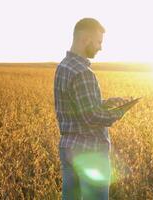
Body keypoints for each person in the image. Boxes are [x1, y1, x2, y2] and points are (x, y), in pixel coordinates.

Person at [54, 18, 129, 200]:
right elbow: (91, 117)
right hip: (90, 152)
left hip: (69, 148)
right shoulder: (83, 72)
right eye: (98, 42)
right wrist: (120, 111)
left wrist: (107, 103)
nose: (100, 47)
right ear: (86, 39)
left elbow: (79, 108)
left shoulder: (63, 67)